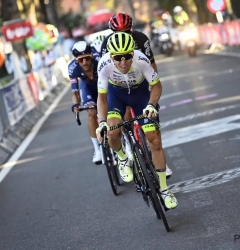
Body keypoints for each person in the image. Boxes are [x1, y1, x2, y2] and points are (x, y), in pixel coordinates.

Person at [95, 32, 178, 209]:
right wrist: (101, 121)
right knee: (112, 133)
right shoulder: (103, 65)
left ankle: (164, 190)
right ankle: (123, 159)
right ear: (111, 56)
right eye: (118, 58)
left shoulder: (141, 60)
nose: (123, 62)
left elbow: (156, 85)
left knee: (154, 140)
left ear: (133, 53)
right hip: (116, 97)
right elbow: (101, 98)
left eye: (126, 57)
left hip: (140, 96)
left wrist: (152, 104)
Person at [100, 12, 173, 178]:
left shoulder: (141, 39)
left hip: (140, 82)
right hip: (118, 87)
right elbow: (104, 73)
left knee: (152, 123)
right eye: (119, 33)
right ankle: (128, 143)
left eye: (127, 32)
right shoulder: (107, 44)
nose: (124, 36)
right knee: (122, 117)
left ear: (131, 30)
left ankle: (160, 159)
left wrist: (150, 86)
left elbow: (152, 64)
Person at [68, 41, 102, 164]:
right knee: (91, 113)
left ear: (91, 56)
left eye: (87, 58)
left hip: (102, 84)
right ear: (76, 60)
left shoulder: (100, 60)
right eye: (80, 60)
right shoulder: (72, 68)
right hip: (87, 87)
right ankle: (97, 150)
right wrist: (75, 104)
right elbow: (75, 93)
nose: (84, 63)